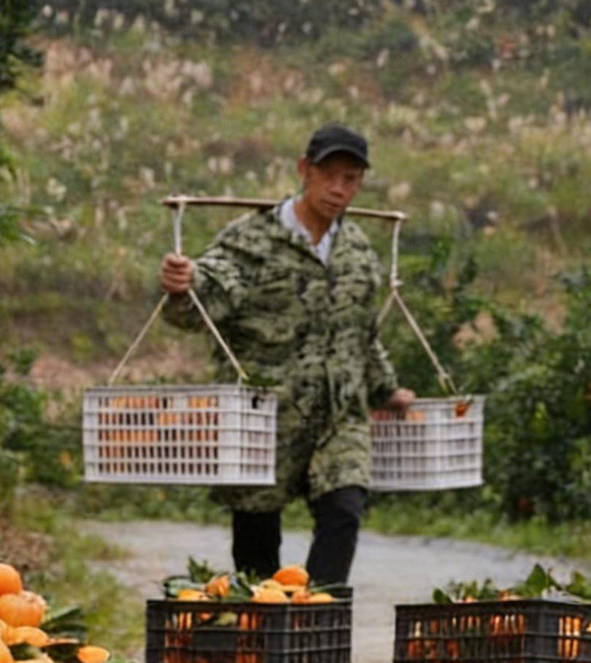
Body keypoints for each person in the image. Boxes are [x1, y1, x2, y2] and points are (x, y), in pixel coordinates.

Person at [159, 123, 414, 588]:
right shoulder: (253, 240)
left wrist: (386, 387)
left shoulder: (357, 250)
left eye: (351, 179)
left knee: (345, 507)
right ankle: (268, 632)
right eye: (328, 175)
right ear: (304, 170)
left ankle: (319, 618)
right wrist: (185, 284)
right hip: (263, 418)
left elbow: (360, 332)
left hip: (338, 417)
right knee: (257, 547)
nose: (338, 189)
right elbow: (204, 298)